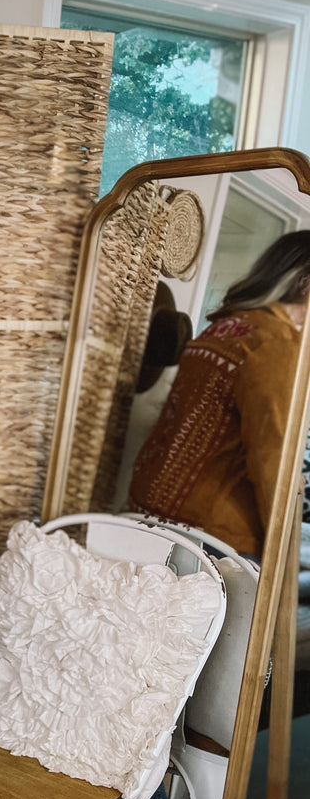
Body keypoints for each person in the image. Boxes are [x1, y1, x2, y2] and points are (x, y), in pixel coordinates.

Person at [130, 230, 310, 557]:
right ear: (304, 282)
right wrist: (285, 549)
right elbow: (272, 457)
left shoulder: (224, 327)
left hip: (151, 504)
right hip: (211, 532)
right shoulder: (277, 344)